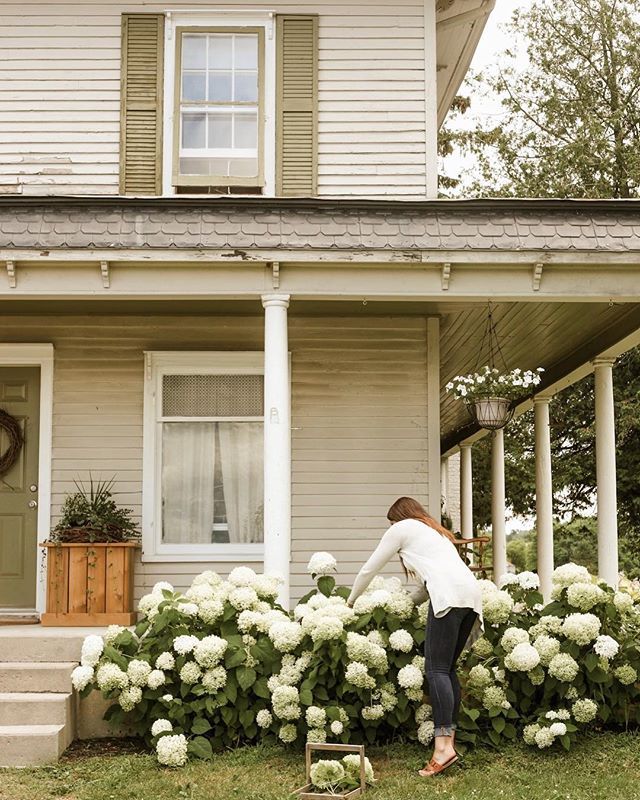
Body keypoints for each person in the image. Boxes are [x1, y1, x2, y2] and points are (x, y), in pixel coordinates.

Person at [347, 496, 483, 777]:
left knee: (435, 670)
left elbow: (368, 569)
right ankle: (449, 744)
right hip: (470, 597)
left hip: (448, 598)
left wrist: (350, 601)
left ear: (397, 517)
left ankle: (443, 748)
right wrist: (405, 604)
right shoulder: (434, 532)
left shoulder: (401, 527)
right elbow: (426, 588)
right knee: (447, 670)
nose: (392, 527)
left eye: (391, 523)